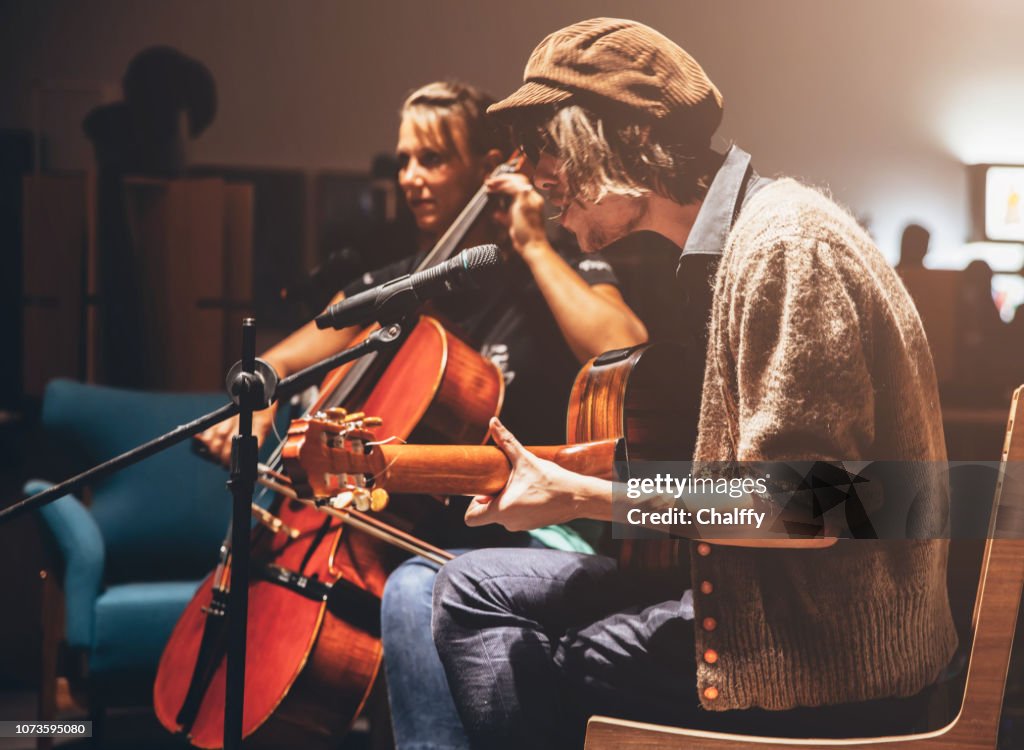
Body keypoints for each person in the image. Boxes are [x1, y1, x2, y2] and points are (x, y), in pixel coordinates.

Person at [431, 18, 958, 749]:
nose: (534, 174)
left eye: (548, 144)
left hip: (824, 655)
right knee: (468, 588)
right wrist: (579, 470)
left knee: (540, 662)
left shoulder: (782, 247)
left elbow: (806, 506)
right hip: (770, 604)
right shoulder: (747, 240)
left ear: (613, 137)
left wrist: (586, 497)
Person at [196, 80, 647, 748]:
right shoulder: (402, 284)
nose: (411, 177)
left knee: (414, 590)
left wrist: (533, 245)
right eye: (404, 159)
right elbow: (284, 362)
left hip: (531, 522)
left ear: (490, 165)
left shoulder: (558, 267)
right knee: (405, 587)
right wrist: (256, 406)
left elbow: (624, 343)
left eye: (432, 159)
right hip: (405, 529)